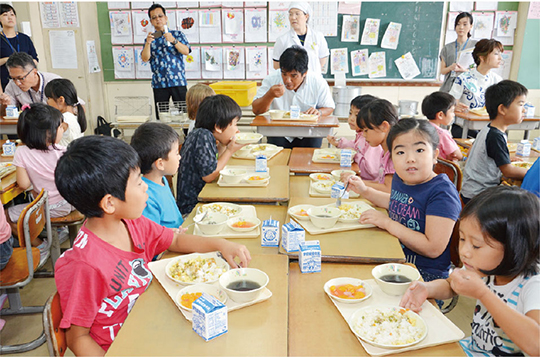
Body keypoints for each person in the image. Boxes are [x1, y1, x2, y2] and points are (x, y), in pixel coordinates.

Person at [54, 135, 251, 355]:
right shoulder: (85, 265)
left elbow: (174, 240)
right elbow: (77, 337)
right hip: (127, 344)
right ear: (110, 203)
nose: (146, 188)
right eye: (139, 182)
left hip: (151, 318)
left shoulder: (132, 223)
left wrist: (220, 244)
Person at [400, 186, 540, 356]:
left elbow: (536, 345)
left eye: (476, 245)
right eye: (462, 239)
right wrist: (427, 288)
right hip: (471, 349)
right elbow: (451, 285)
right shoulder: (484, 267)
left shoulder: (533, 285)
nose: (464, 251)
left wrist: (484, 294)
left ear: (515, 247)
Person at [347, 119, 462, 282]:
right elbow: (397, 203)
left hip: (425, 275)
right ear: (391, 157)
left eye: (419, 150)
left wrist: (387, 223)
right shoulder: (401, 179)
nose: (410, 159)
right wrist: (365, 191)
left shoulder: (442, 193)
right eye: (400, 152)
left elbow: (433, 248)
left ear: (435, 155)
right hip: (395, 259)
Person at [6, 103, 73, 263]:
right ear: (47, 133)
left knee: (6, 215)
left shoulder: (21, 152)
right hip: (71, 202)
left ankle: (40, 246)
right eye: (59, 127)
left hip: (50, 208)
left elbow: (23, 184)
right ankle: (56, 232)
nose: (62, 129)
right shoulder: (63, 151)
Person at [252, 45, 335, 148]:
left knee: (309, 158)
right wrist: (269, 95)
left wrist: (319, 112)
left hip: (309, 132)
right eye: (284, 74)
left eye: (293, 75)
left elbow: (329, 107)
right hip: (279, 132)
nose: (287, 80)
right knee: (278, 160)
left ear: (304, 73)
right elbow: (256, 110)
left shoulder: (318, 82)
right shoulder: (271, 79)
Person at [461, 80, 529, 204]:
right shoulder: (496, 136)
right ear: (502, 109)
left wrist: (503, 158)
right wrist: (531, 173)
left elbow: (471, 151)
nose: (524, 110)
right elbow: (508, 171)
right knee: (522, 202)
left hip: (469, 190)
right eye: (520, 104)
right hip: (480, 195)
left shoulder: (488, 129)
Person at [177, 95, 245, 215]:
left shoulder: (200, 133)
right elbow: (208, 175)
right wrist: (230, 151)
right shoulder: (202, 136)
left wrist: (224, 145)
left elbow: (212, 161)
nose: (237, 130)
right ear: (218, 127)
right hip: (193, 209)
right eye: (234, 124)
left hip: (201, 201)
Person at [327, 95, 393, 193]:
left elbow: (387, 189)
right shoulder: (384, 148)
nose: (364, 135)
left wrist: (357, 182)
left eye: (366, 130)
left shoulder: (392, 154)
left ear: (384, 126)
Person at [141, 4, 190, 121]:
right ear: (151, 21)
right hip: (159, 83)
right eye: (154, 17)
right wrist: (148, 43)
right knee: (162, 117)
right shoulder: (150, 38)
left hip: (178, 80)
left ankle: (187, 138)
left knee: (185, 114)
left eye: (160, 16)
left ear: (166, 18)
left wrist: (173, 40)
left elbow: (186, 51)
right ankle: (165, 139)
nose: (158, 19)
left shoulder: (177, 34)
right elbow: (145, 58)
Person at [130, 122, 183, 229]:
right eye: (176, 153)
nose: (179, 157)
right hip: (171, 243)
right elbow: (153, 237)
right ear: (160, 164)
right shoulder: (146, 197)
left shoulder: (162, 180)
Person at [449, 39, 503, 138]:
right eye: (496, 54)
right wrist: (455, 105)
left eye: (500, 54)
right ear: (482, 57)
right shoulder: (463, 78)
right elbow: (451, 101)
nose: (500, 58)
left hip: (489, 127)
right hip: (464, 128)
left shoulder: (498, 80)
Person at [0, 52, 85, 108]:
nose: (17, 83)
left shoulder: (54, 82)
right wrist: (4, 105)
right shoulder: (12, 85)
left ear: (34, 72)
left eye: (21, 78)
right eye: (13, 78)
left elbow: (80, 106)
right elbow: (6, 114)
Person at [272, 2, 329, 76]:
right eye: (290, 14)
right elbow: (276, 65)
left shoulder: (318, 36)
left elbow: (322, 61)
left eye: (297, 14)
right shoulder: (282, 40)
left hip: (314, 80)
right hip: (292, 83)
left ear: (306, 16)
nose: (293, 17)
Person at [0, 3, 38, 91]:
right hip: (6, 83)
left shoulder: (24, 38)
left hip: (26, 81)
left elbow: (35, 60)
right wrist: (7, 60)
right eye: (5, 15)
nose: (10, 18)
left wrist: (24, 63)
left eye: (12, 15)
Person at [439, 12, 477, 93]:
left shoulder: (476, 46)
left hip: (467, 87)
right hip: (449, 88)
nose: (461, 27)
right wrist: (451, 68)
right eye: (458, 24)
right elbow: (442, 71)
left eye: (465, 24)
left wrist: (464, 70)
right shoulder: (447, 48)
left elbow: (479, 70)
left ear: (471, 26)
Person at [422, 91, 463, 161]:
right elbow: (458, 155)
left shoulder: (421, 128)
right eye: (452, 111)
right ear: (440, 115)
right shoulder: (442, 134)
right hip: (441, 168)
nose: (453, 115)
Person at [45, 78, 86, 147]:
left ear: (61, 100)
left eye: (49, 98)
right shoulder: (75, 115)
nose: (47, 102)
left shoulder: (64, 119)